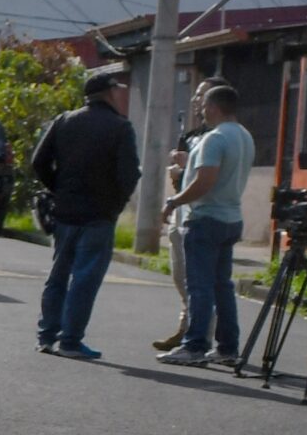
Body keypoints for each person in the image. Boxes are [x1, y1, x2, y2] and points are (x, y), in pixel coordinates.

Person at [29, 70, 141, 361]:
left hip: (65, 212)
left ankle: (47, 335)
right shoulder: (120, 127)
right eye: (117, 90)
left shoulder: (65, 121)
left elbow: (38, 161)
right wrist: (116, 203)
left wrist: (58, 188)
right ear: (109, 93)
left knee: (58, 275)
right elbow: (129, 174)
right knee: (85, 278)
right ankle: (70, 340)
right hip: (99, 215)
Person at [158, 84, 253, 368]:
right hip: (231, 217)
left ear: (213, 107)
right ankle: (227, 347)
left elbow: (205, 181)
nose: (201, 112)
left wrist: (174, 201)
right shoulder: (244, 136)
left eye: (203, 107)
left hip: (206, 219)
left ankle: (195, 345)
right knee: (222, 285)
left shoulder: (215, 138)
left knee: (199, 286)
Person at [152, 79, 219, 353]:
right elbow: (184, 178)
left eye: (202, 96)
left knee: (200, 279)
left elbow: (210, 174)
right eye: (196, 96)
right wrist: (177, 174)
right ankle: (186, 327)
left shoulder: (219, 137)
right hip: (182, 209)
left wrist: (186, 165)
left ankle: (200, 336)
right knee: (180, 274)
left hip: (203, 213)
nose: (196, 101)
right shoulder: (192, 135)